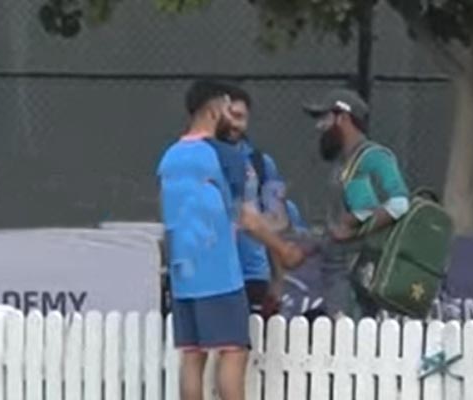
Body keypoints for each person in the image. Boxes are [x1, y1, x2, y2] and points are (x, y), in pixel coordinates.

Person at [156, 80, 303, 400]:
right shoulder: (225, 156)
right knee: (233, 352)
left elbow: (168, 217)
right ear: (212, 111)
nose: (230, 116)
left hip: (184, 274)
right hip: (219, 272)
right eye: (226, 108)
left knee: (193, 356)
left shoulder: (170, 157)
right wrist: (282, 249)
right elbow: (248, 217)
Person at [303, 88, 411, 320]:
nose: (319, 126)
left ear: (342, 117)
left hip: (357, 269)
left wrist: (354, 227)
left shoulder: (373, 157)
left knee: (348, 337)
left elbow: (399, 203)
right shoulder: (345, 162)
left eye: (325, 118)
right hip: (340, 269)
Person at [219, 85, 290, 319]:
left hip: (253, 275)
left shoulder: (261, 163)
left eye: (240, 117)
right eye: (228, 115)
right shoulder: (199, 157)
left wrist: (278, 280)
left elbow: (277, 222)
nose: (234, 123)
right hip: (210, 276)